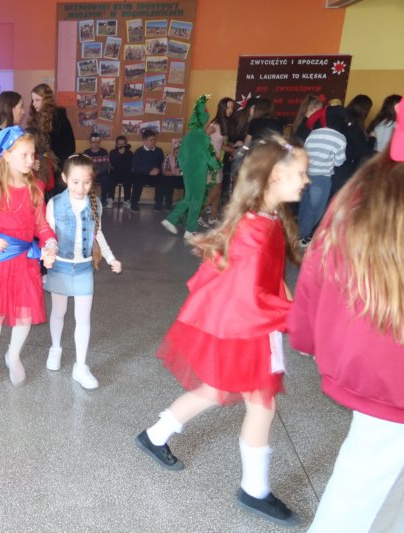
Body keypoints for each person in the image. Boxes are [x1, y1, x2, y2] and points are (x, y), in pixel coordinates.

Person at [135, 136, 309, 527]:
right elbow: (249, 298)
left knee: (216, 390)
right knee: (261, 404)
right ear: (274, 176)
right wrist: (296, 315)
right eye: (300, 173)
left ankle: (155, 435)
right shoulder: (257, 229)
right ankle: (254, 490)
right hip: (246, 328)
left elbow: (267, 280)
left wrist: (287, 300)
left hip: (246, 325)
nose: (307, 180)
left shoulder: (266, 219)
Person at [288, 116, 404, 533]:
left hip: (377, 376)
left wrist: (307, 338)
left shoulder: (361, 192)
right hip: (391, 384)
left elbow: (315, 272)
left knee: (361, 487)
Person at [0, 126, 58, 386]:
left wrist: (50, 243)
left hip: (25, 261)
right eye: (24, 155)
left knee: (24, 314)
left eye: (32, 154)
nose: (31, 160)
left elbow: (41, 225)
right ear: (6, 155)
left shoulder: (35, 188)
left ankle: (13, 356)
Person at [44, 154, 122, 390]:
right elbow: (47, 235)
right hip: (60, 266)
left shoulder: (95, 203)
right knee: (59, 312)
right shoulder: (55, 203)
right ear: (64, 178)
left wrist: (110, 257)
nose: (81, 188)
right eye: (75, 182)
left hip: (84, 268)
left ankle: (80, 365)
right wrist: (47, 254)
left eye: (86, 182)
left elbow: (99, 234)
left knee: (83, 318)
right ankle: (55, 348)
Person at [161, 96, 221, 238]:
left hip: (188, 172)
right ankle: (189, 229)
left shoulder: (188, 136)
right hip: (199, 172)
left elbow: (181, 155)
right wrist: (216, 165)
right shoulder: (202, 137)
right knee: (197, 200)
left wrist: (184, 168)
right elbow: (209, 156)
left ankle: (172, 220)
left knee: (189, 198)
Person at [298, 106, 347, 246]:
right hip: (322, 178)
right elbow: (339, 162)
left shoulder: (314, 133)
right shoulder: (340, 138)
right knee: (316, 209)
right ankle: (304, 237)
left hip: (305, 175)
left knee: (305, 206)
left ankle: (299, 233)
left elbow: (305, 152)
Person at [28, 83, 76, 195]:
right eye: (33, 100)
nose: (33, 103)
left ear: (46, 100)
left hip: (56, 168)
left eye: (37, 100)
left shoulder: (58, 118)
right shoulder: (35, 118)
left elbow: (70, 146)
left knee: (55, 198)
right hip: (39, 166)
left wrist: (55, 161)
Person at [201, 97, 235, 225]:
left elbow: (219, 145)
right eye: (228, 107)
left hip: (217, 162)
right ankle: (196, 215)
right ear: (222, 108)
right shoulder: (215, 124)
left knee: (218, 190)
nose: (230, 110)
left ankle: (213, 217)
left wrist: (233, 149)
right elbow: (202, 140)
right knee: (214, 190)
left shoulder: (223, 124)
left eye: (232, 108)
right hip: (211, 162)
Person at [130, 129, 165, 212]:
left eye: (154, 139)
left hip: (155, 174)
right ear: (144, 141)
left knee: (161, 180)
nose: (153, 142)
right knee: (138, 180)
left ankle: (158, 203)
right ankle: (134, 203)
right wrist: (148, 171)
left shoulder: (159, 151)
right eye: (151, 140)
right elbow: (135, 166)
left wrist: (157, 170)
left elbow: (161, 163)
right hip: (142, 174)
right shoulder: (139, 152)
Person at [105, 135, 133, 208]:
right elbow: (114, 165)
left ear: (126, 144)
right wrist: (120, 155)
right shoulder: (113, 152)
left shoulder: (129, 153)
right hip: (115, 173)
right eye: (119, 144)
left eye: (123, 144)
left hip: (126, 173)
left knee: (128, 181)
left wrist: (124, 154)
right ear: (116, 145)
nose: (121, 146)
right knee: (111, 180)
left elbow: (128, 165)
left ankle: (127, 200)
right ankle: (110, 199)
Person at [158, 139, 184, 211]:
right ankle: (168, 204)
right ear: (173, 152)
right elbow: (164, 172)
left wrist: (180, 173)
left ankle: (186, 205)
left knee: (189, 183)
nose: (178, 154)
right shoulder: (169, 157)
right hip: (171, 177)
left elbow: (187, 171)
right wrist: (175, 173)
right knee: (167, 181)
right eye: (176, 152)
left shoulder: (186, 158)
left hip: (182, 178)